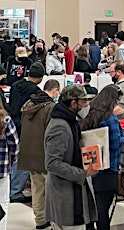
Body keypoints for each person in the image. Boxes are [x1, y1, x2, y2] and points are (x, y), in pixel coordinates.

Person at [80, 84, 124, 230]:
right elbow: (115, 143)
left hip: (91, 167)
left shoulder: (91, 113)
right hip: (108, 168)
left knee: (92, 207)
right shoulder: (110, 118)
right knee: (103, 209)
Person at [44, 84, 97, 229]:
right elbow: (52, 163)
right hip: (65, 197)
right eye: (83, 102)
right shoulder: (60, 126)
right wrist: (82, 173)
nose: (86, 106)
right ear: (73, 103)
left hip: (72, 192)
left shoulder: (70, 122)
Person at [17, 79, 60, 230]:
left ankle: (40, 220)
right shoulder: (50, 107)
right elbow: (52, 133)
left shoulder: (28, 105)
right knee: (53, 191)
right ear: (54, 91)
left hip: (30, 154)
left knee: (37, 190)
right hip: (45, 155)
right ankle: (54, 221)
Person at [9, 62, 44, 204]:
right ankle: (15, 191)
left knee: (13, 158)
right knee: (24, 159)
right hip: (26, 127)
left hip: (12, 124)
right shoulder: (35, 91)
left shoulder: (15, 86)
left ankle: (11, 188)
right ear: (41, 78)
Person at [0, 98, 20, 230]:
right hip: (2, 169)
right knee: (2, 203)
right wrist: (12, 161)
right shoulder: (5, 120)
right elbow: (15, 146)